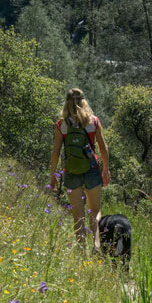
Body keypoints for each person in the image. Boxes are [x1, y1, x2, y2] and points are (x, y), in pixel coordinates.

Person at [49, 88, 110, 250]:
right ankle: (97, 245)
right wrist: (106, 169)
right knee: (95, 211)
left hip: (71, 172)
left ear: (67, 103)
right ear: (83, 102)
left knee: (78, 215)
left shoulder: (61, 125)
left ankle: (82, 252)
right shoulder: (93, 121)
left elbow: (55, 153)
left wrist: (52, 176)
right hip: (91, 169)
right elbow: (104, 149)